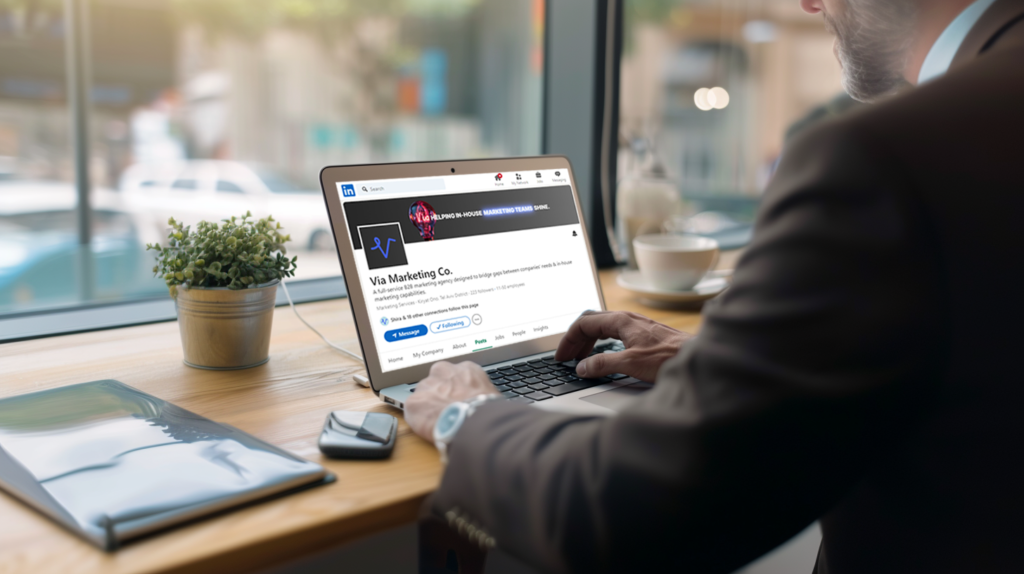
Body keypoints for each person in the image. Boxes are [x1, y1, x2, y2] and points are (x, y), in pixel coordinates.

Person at [405, 0, 1024, 571]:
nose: (809, 1)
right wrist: (721, 365)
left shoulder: (880, 159)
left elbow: (625, 516)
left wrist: (466, 415)